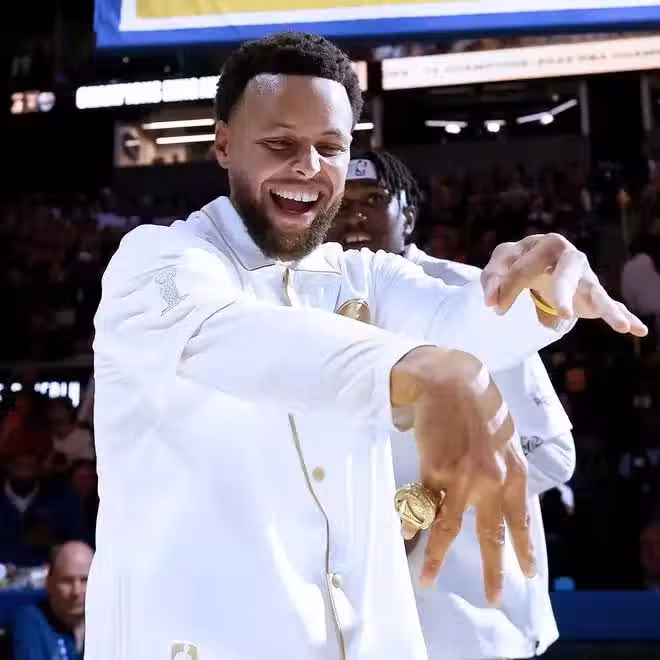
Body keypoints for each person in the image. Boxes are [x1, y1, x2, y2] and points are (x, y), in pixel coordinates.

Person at [88, 31, 646, 660]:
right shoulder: (156, 262)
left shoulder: (364, 277)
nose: (308, 166)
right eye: (280, 144)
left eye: (330, 147)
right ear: (223, 144)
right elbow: (235, 336)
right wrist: (418, 369)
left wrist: (537, 288)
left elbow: (462, 319)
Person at [329, 149, 578, 659]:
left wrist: (419, 505)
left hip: (475, 617)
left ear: (408, 216)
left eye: (374, 200)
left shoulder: (471, 294)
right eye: (341, 203)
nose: (354, 215)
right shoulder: (309, 308)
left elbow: (551, 454)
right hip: (361, 625)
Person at [11, 541, 93, 660]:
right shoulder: (31, 623)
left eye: (85, 580)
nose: (76, 591)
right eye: (67, 581)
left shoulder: (110, 623)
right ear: (49, 582)